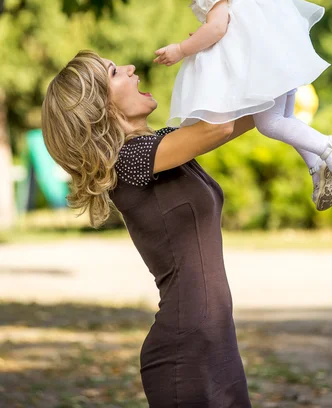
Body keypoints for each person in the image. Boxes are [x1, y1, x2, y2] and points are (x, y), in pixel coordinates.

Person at [41, 49, 255, 408]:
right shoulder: (131, 161)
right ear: (101, 108)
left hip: (216, 342)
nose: (130, 69)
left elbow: (251, 116)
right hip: (184, 351)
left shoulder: (159, 150)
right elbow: (220, 125)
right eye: (114, 73)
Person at [138, 0, 332, 211]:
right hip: (277, 51)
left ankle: (328, 146)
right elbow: (227, 27)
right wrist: (205, 34)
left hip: (265, 60)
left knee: (270, 123)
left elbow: (217, 28)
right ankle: (318, 165)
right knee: (285, 120)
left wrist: (183, 48)